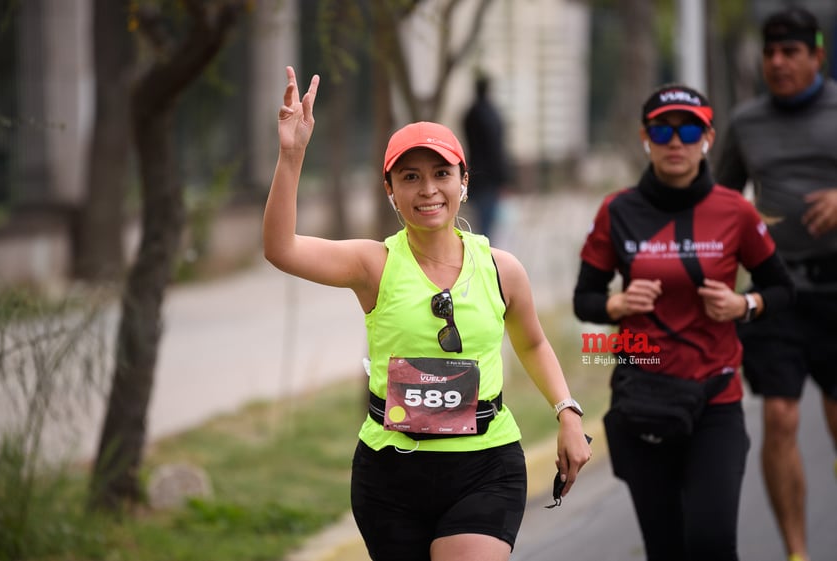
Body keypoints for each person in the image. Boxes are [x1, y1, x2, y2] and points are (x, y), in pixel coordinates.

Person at [263, 66, 592, 561]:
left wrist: (567, 411)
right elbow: (281, 248)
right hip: (390, 473)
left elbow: (532, 342)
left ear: (464, 181)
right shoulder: (372, 264)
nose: (428, 189)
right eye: (410, 177)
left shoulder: (503, 269)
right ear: (390, 190)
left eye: (441, 173)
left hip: (486, 466)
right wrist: (291, 155)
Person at [573, 84, 794, 561]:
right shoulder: (617, 210)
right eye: (663, 130)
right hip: (644, 393)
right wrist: (617, 304)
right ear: (645, 137)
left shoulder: (735, 210)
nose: (677, 141)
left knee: (712, 543)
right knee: (666, 548)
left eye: (689, 129)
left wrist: (744, 306)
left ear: (708, 138)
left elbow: (780, 288)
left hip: (715, 398)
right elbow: (584, 300)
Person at [714, 7, 837, 561]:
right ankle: (797, 553)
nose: (779, 62)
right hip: (777, 290)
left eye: (791, 51)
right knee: (780, 415)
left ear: (818, 55)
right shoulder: (746, 123)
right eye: (770, 52)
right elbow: (719, 197)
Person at [463, 74, 511, 240]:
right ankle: (485, 259)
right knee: (486, 225)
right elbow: (496, 149)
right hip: (489, 178)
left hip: (476, 174)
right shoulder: (491, 114)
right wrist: (503, 178)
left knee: (481, 221)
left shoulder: (470, 113)